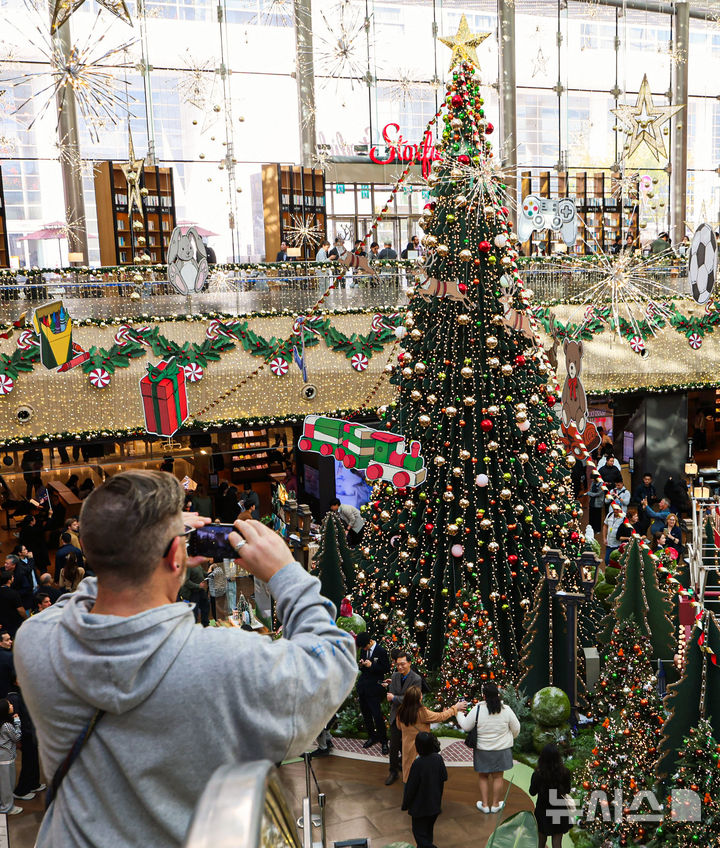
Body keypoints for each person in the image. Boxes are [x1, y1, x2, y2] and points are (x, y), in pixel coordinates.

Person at [14, 469, 357, 848]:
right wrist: (286, 573)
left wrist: (150, 546)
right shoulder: (226, 662)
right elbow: (333, 659)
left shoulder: (36, 641)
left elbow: (79, 599)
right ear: (178, 555)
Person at [456, 681, 520, 814]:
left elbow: (466, 726)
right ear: (498, 694)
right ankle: (496, 804)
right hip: (501, 750)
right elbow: (516, 728)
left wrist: (458, 714)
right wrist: (509, 738)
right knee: (498, 777)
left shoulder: (478, 709)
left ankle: (485, 805)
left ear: (484, 696)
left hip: (482, 750)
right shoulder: (506, 709)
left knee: (483, 777)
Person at [396, 686, 465, 783]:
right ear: (419, 698)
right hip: (421, 748)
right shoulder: (422, 712)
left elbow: (399, 727)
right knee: (422, 775)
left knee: (408, 773)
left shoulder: (400, 711)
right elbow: (440, 717)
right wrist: (455, 708)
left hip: (407, 747)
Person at [401, 732, 448, 848]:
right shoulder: (438, 758)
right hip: (434, 805)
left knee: (420, 835)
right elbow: (444, 777)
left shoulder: (418, 764)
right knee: (428, 832)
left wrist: (405, 804)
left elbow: (411, 787)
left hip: (420, 808)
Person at [386, 650, 422, 785]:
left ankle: (409, 770)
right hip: (396, 716)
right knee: (394, 746)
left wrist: (395, 698)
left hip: (408, 717)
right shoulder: (395, 676)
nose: (400, 667)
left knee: (408, 746)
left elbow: (413, 699)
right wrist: (395, 697)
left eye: (403, 664)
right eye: (398, 664)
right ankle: (393, 771)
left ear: (409, 663)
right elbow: (392, 693)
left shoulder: (416, 679)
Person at [530, 744, 572, 848]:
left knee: (540, 841)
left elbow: (532, 792)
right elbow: (567, 790)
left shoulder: (538, 774)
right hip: (559, 809)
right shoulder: (565, 773)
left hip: (543, 811)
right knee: (557, 842)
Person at [356, 631, 390, 754]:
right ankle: (372, 736)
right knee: (366, 714)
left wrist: (372, 665)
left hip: (375, 688)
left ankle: (384, 741)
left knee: (377, 715)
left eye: (365, 646)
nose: (364, 649)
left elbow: (386, 668)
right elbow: (363, 668)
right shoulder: (364, 650)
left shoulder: (381, 651)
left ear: (370, 642)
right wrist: (362, 664)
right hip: (363, 687)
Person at [0, 699, 22, 815]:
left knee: (3, 784)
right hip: (6, 758)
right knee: (8, 784)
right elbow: (17, 737)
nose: (12, 705)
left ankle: (4, 803)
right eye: (9, 705)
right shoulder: (7, 725)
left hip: (2, 758)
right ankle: (7, 807)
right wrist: (17, 721)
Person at [179, 558, 211, 627]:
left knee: (206, 606)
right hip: (193, 593)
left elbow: (203, 573)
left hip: (201, 591)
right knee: (194, 612)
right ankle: (194, 628)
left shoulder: (197, 564)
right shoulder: (188, 565)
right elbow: (186, 581)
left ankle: (205, 625)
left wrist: (211, 573)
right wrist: (198, 586)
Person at [0, 573, 26, 639]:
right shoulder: (14, 593)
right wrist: (26, 618)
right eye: (12, 577)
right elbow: (20, 609)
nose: (13, 578)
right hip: (12, 623)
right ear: (9, 581)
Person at [0, 632, 14, 699]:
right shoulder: (9, 656)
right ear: (0, 643)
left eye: (10, 639)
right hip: (8, 695)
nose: (11, 641)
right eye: (7, 640)